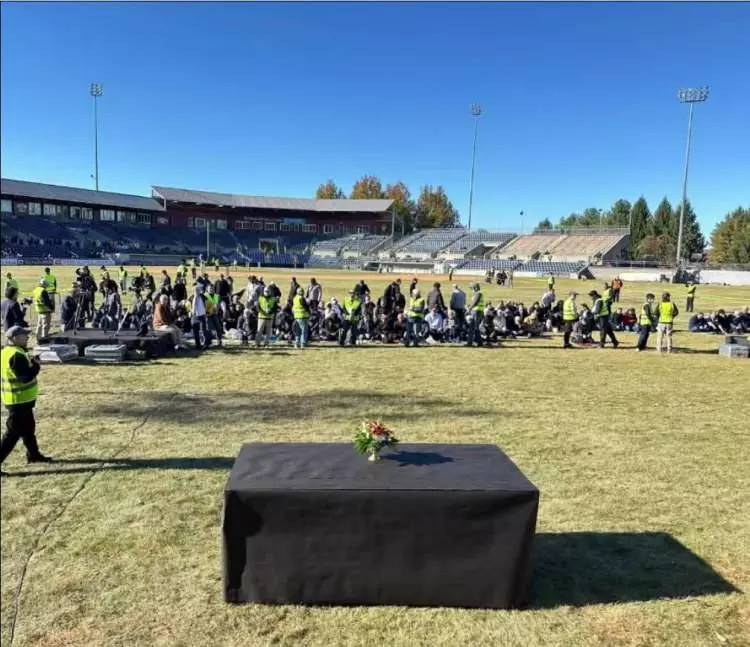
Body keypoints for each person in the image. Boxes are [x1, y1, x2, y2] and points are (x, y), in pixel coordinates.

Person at [1, 325, 52, 474]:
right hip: (18, 401)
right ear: (14, 338)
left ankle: (33, 455)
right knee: (11, 435)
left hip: (20, 400)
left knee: (29, 429)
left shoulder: (8, 352)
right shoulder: (16, 355)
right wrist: (36, 366)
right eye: (24, 335)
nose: (27, 337)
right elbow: (25, 377)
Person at [190, 284, 209, 350]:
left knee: (203, 330)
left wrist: (206, 311)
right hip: (194, 316)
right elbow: (189, 305)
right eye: (195, 290)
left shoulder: (203, 296)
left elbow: (207, 303)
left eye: (198, 290)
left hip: (202, 316)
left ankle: (205, 344)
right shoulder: (192, 297)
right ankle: (197, 345)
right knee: (195, 332)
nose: (197, 291)